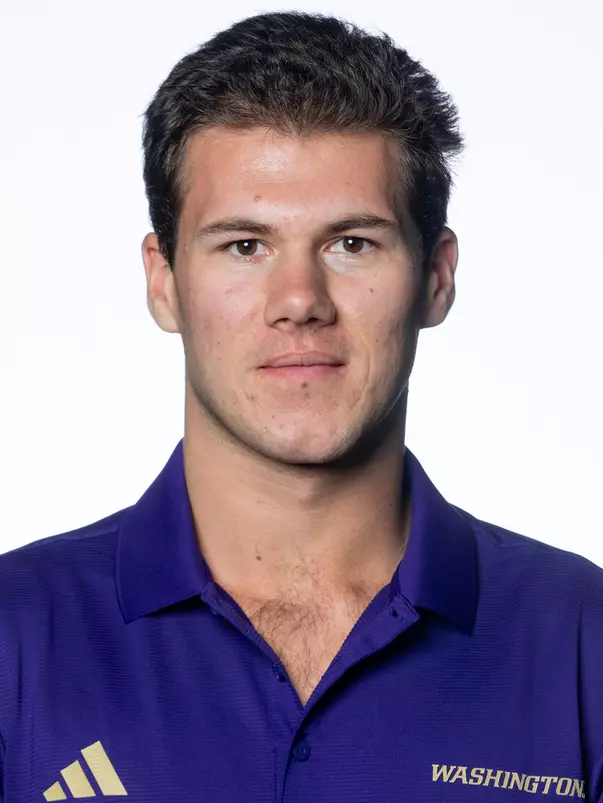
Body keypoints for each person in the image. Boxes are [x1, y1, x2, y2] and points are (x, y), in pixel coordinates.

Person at [1, 10, 602, 803]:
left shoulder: (580, 640)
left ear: (435, 276)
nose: (298, 301)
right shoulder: (16, 633)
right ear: (164, 279)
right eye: (243, 245)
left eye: (351, 242)